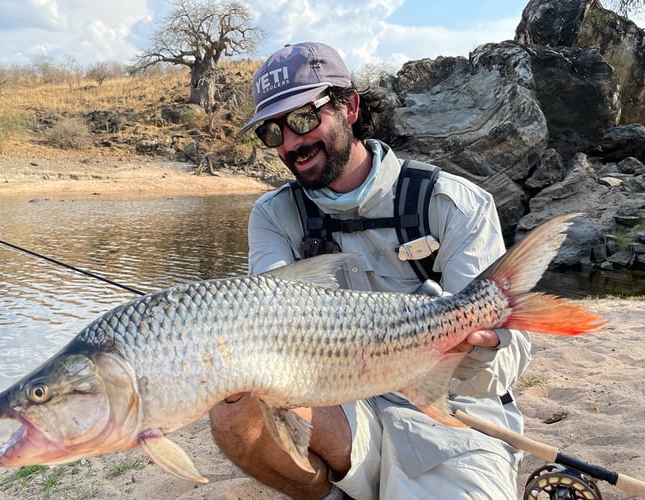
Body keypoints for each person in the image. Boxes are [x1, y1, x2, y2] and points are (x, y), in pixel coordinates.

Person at [209, 41, 532, 500]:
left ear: (351, 106)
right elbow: (265, 327)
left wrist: (479, 344)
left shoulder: (455, 203)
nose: (292, 143)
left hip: (453, 416)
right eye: (273, 132)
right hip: (337, 401)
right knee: (234, 407)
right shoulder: (272, 216)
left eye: (303, 118)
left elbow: (510, 359)